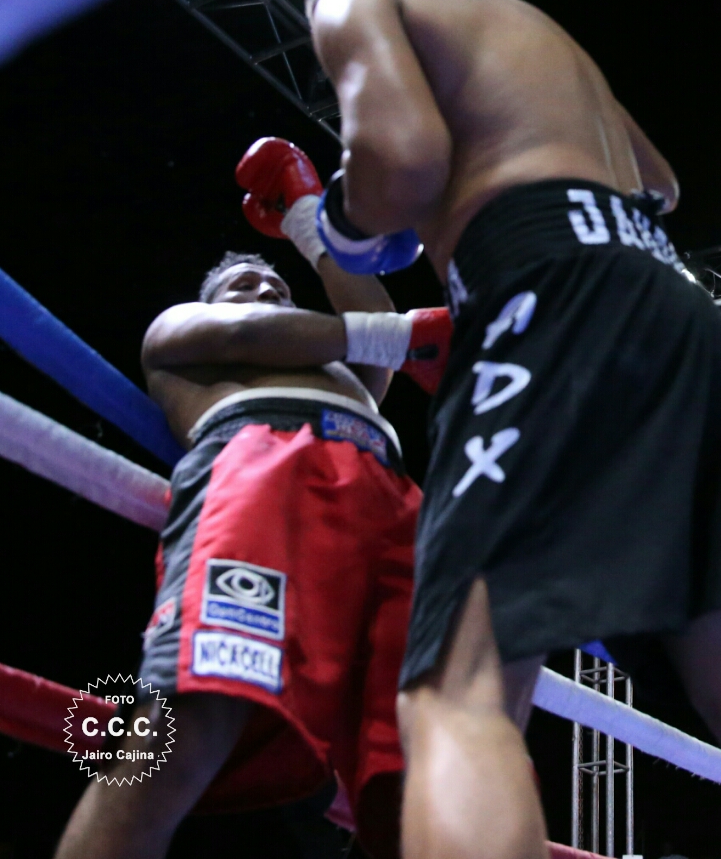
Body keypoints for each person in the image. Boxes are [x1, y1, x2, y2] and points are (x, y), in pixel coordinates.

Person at [299, 0, 721, 859]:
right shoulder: (538, 33)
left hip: (549, 289)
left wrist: (332, 221)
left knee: (460, 692)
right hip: (670, 298)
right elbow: (661, 184)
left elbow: (402, 160)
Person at [54, 138, 450, 859]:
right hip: (266, 465)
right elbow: (264, 329)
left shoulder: (349, 368)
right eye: (245, 285)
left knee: (421, 765)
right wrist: (400, 336)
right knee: (200, 708)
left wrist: (307, 217)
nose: (267, 293)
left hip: (390, 496)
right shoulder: (183, 334)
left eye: (279, 291)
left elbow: (369, 313)